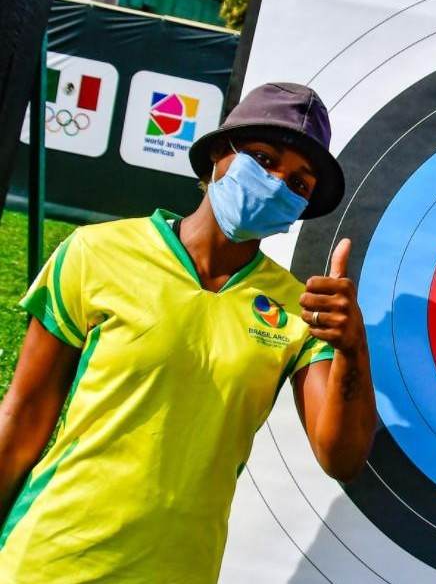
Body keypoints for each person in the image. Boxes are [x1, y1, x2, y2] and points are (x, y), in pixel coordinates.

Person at [0, 82, 376, 582]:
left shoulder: (295, 308)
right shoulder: (95, 252)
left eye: (298, 184)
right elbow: (23, 416)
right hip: (49, 560)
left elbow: (341, 457)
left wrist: (352, 348)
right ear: (221, 152)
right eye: (263, 158)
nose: (277, 182)